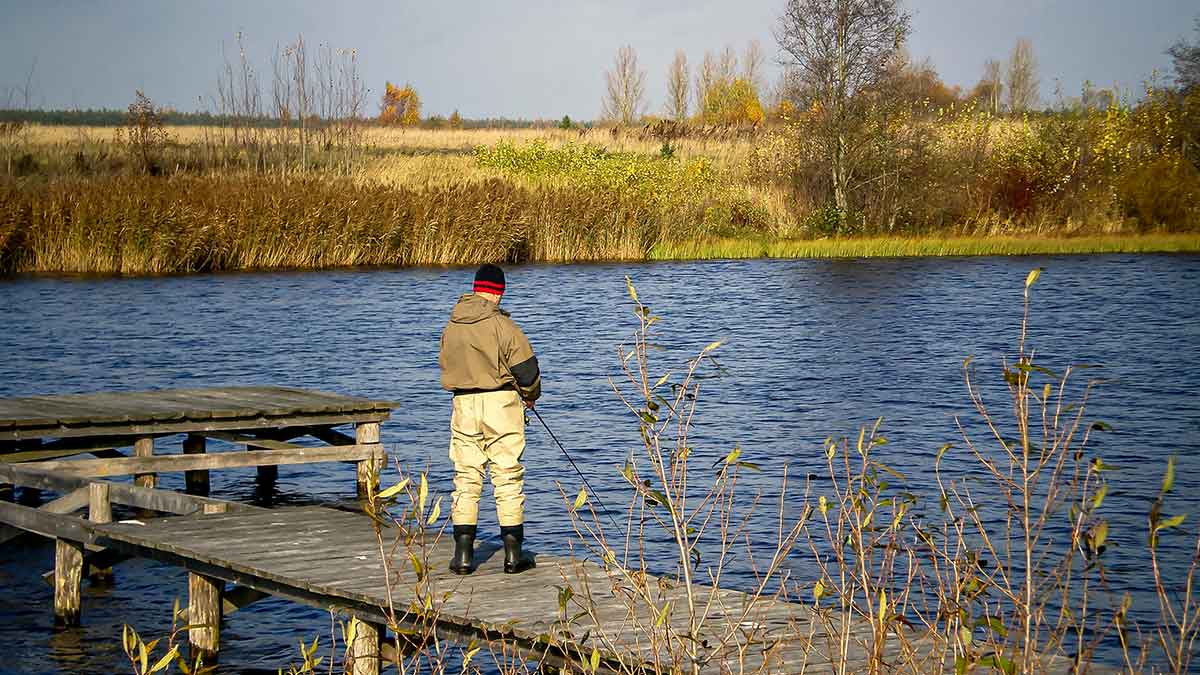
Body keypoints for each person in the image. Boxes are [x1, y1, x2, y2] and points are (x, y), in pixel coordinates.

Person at [439, 263, 541, 575]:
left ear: (475, 288)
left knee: (466, 477)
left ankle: (463, 557)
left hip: (463, 405)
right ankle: (513, 557)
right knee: (507, 476)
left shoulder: (451, 325)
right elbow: (528, 372)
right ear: (499, 292)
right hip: (501, 404)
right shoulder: (503, 326)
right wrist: (530, 395)